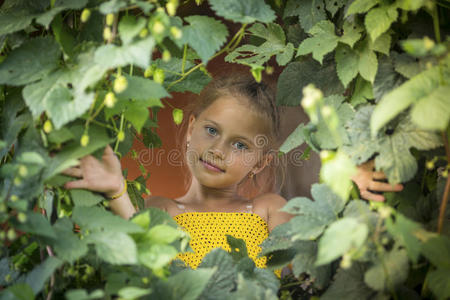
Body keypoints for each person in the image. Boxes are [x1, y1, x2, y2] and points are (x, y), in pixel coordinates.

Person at [62, 75, 403, 270]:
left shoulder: (268, 209)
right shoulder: (162, 209)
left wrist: (343, 185)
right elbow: (139, 262)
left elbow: (303, 267)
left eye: (241, 146)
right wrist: (115, 189)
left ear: (261, 162)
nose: (218, 150)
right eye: (212, 131)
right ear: (191, 127)